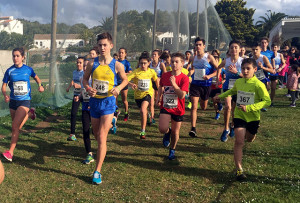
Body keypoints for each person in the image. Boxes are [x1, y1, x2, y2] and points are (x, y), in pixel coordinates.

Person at [214, 58, 271, 181]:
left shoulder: (258, 85)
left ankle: (252, 133)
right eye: (243, 68)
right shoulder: (239, 82)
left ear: (255, 70)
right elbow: (232, 91)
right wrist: (220, 96)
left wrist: (250, 108)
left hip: (253, 117)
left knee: (249, 139)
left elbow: (267, 101)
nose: (245, 71)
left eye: (248, 68)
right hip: (239, 115)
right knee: (239, 141)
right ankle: (239, 169)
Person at [83, 32, 128, 184]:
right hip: (94, 102)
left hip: (108, 103)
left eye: (105, 45)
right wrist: (88, 88)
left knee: (102, 137)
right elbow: (84, 80)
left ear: (111, 46)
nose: (102, 48)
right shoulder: (92, 63)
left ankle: (97, 171)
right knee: (96, 134)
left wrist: (119, 88)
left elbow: (125, 79)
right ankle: (113, 123)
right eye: (100, 45)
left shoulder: (117, 65)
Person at [2, 47, 44, 162]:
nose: (15, 58)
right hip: (13, 102)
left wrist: (40, 85)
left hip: (25, 101)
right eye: (13, 56)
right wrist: (5, 94)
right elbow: (4, 85)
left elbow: (37, 78)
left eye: (17, 56)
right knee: (17, 128)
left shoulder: (28, 69)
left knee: (15, 127)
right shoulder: (9, 71)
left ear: (23, 57)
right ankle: (30, 114)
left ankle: (10, 152)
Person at [156, 52, 189, 160]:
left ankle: (172, 149)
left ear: (182, 64)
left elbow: (182, 95)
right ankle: (167, 132)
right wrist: (158, 97)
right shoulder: (165, 75)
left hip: (178, 109)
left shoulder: (184, 78)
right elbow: (161, 86)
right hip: (166, 106)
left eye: (177, 62)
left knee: (176, 132)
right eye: (172, 61)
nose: (174, 64)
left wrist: (174, 84)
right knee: (162, 128)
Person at [188, 37, 219, 137]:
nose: (198, 47)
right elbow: (192, 69)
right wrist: (189, 75)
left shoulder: (209, 57)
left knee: (203, 107)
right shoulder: (193, 58)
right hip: (195, 84)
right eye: (196, 45)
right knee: (194, 106)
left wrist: (209, 76)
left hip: (206, 85)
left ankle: (207, 102)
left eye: (200, 45)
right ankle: (193, 128)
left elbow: (218, 70)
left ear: (204, 46)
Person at [217, 40, 244, 142]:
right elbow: (218, 68)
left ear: (240, 49)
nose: (234, 49)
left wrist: (237, 73)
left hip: (240, 88)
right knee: (228, 107)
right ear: (229, 49)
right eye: (232, 47)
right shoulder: (226, 61)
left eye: (236, 47)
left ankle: (233, 125)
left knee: (235, 109)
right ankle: (226, 129)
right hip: (228, 87)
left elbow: (248, 76)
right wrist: (218, 79)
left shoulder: (243, 61)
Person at [127, 51, 158, 139]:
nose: (143, 65)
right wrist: (131, 84)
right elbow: (126, 79)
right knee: (143, 111)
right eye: (141, 63)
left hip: (147, 94)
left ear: (149, 63)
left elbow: (156, 80)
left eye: (145, 63)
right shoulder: (136, 72)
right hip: (138, 96)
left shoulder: (151, 72)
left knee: (142, 110)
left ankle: (142, 131)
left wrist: (158, 91)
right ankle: (148, 115)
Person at [66, 57, 85, 141]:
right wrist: (69, 87)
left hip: (85, 95)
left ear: (83, 64)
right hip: (76, 94)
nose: (78, 64)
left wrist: (80, 86)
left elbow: (87, 85)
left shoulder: (85, 73)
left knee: (86, 115)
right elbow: (73, 80)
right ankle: (72, 134)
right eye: (77, 62)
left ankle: (90, 131)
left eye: (80, 63)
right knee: (73, 113)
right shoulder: (74, 72)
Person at [149, 49, 166, 125]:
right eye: (152, 54)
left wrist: (161, 80)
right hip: (151, 84)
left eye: (155, 54)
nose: (153, 56)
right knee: (151, 102)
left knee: (158, 101)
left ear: (158, 56)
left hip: (159, 84)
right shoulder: (149, 64)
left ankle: (161, 114)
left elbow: (165, 75)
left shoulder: (161, 64)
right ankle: (151, 118)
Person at [116, 47, 132, 121]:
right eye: (120, 52)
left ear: (125, 54)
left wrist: (122, 73)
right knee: (114, 98)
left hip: (123, 83)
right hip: (116, 82)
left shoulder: (126, 63)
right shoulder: (116, 62)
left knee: (124, 100)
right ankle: (116, 111)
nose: (121, 54)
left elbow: (130, 73)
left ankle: (126, 113)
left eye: (122, 53)